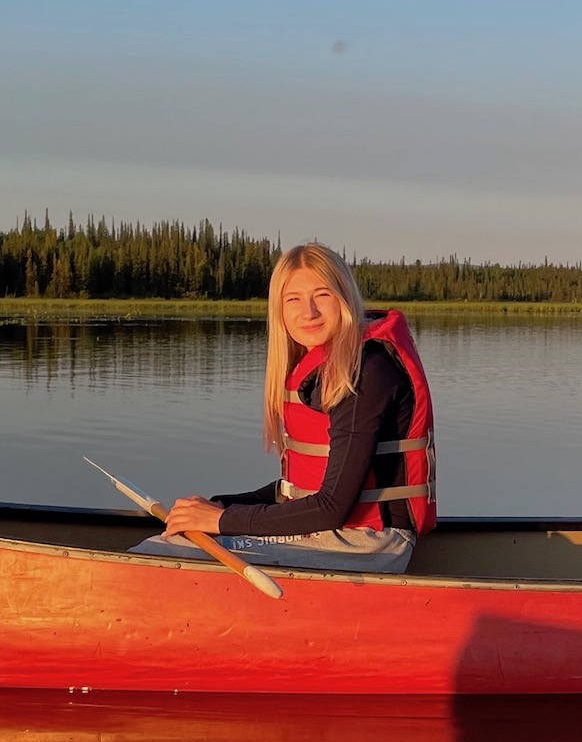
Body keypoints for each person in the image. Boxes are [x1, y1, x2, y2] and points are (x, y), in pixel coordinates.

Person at [141, 242, 437, 574]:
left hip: (368, 542)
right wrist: (222, 505)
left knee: (161, 555)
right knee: (177, 542)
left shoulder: (365, 370)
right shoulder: (318, 367)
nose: (308, 312)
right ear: (279, 309)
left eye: (322, 295)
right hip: (331, 532)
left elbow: (331, 507)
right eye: (293, 299)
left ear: (345, 299)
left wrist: (222, 520)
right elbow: (296, 491)